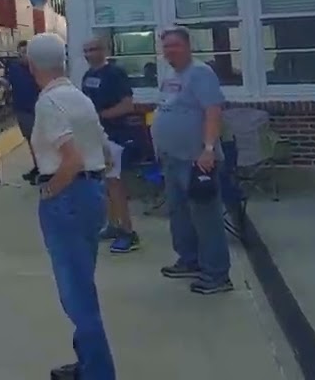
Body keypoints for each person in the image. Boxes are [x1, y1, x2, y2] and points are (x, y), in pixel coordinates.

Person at [25, 32, 117, 380]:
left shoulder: (49, 103)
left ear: (32, 66)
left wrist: (49, 192)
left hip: (68, 200)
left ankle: (98, 373)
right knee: (82, 287)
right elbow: (104, 152)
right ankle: (88, 364)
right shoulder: (78, 96)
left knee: (77, 298)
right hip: (92, 195)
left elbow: (72, 159)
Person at [150, 26, 233, 295]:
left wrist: (208, 149)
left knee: (206, 216)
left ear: (188, 47)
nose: (169, 51)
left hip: (197, 160)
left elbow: (213, 111)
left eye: (175, 45)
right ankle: (190, 260)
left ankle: (217, 274)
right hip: (173, 158)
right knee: (179, 213)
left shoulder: (200, 73)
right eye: (166, 46)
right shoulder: (171, 75)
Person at [80, 36, 141, 254]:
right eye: (86, 50)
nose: (89, 54)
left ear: (104, 50)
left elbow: (127, 105)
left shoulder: (115, 74)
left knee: (116, 185)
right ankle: (114, 225)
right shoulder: (88, 76)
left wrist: (100, 116)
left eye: (93, 49)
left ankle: (128, 233)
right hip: (97, 137)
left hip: (115, 136)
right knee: (106, 185)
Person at [5, 39, 43, 182]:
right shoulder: (13, 67)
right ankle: (38, 167)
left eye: (26, 52)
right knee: (31, 141)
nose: (23, 55)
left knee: (39, 142)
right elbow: (9, 82)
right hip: (22, 109)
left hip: (37, 109)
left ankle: (43, 169)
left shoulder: (37, 67)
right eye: (21, 52)